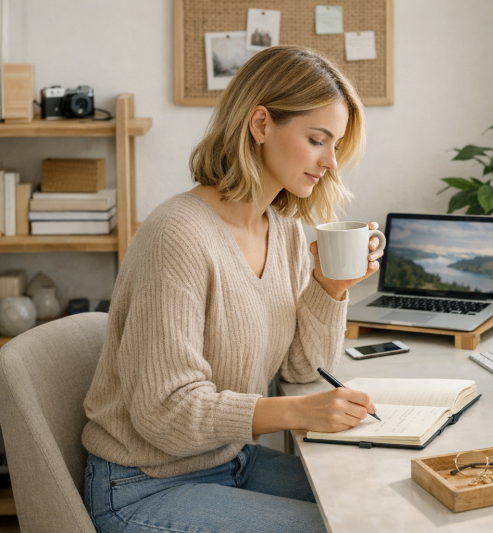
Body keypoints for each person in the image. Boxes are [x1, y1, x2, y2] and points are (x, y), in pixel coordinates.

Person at [81, 45, 381, 533]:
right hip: (144, 485)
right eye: (317, 140)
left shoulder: (281, 229)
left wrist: (328, 286)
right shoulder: (177, 235)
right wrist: (297, 412)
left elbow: (303, 369)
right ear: (261, 125)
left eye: (336, 144)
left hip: (230, 462)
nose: (330, 161)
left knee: (376, 502)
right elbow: (164, 411)